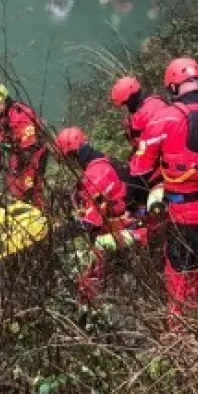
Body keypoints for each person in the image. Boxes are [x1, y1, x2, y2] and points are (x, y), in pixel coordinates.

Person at [128, 58, 198, 320]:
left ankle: (180, 332)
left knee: (179, 278)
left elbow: (140, 172)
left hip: (183, 214)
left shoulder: (162, 120)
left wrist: (137, 203)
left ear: (173, 88)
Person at [55, 127, 142, 302]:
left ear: (73, 154)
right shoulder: (101, 161)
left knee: (88, 285)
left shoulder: (96, 174)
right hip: (129, 220)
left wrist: (58, 235)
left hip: (128, 228)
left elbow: (91, 222)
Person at [0, 83, 48, 208]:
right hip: (18, 151)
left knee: (31, 185)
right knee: (13, 183)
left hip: (34, 152)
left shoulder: (20, 115)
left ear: (4, 101)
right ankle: (19, 203)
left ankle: (38, 210)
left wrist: (19, 164)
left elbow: (30, 143)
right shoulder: (0, 117)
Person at [110, 76, 167, 151]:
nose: (125, 108)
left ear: (130, 100)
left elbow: (146, 148)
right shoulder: (156, 101)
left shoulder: (142, 117)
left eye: (125, 104)